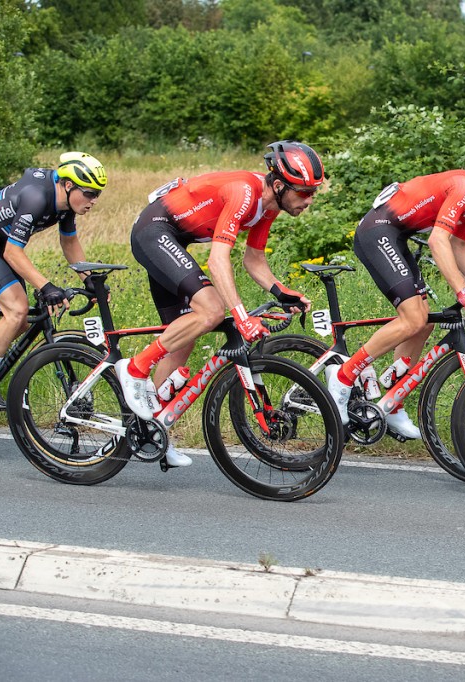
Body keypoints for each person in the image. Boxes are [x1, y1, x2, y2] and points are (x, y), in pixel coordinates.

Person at [116, 140, 323, 467]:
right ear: (280, 185)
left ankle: (151, 429)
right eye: (305, 192)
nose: (309, 200)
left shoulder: (269, 207)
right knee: (212, 310)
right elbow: (217, 259)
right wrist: (240, 315)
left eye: (314, 192)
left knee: (182, 341)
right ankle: (134, 368)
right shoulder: (244, 193)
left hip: (172, 239)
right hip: (155, 231)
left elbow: (253, 259)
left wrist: (281, 292)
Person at [325, 137, 465, 438]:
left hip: (398, 236)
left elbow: (459, 246)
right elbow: (438, 240)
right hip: (380, 231)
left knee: (422, 322)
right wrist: (462, 291)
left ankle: (393, 400)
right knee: (413, 317)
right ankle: (344, 376)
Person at [0, 152, 107, 410]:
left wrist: (89, 279)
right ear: (69, 185)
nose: (94, 200)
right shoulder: (38, 197)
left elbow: (69, 242)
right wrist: (45, 286)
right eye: (89, 193)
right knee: (17, 310)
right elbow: (13, 252)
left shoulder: (66, 203)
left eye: (98, 194)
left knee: (20, 321)